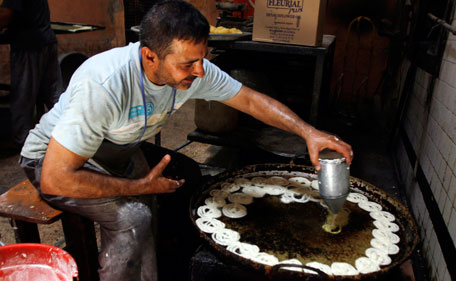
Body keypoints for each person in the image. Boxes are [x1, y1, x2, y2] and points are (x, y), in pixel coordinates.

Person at [19, 1, 353, 281]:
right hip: (52, 158)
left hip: (114, 150)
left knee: (187, 176)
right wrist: (136, 187)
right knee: (134, 218)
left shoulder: (194, 69)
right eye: (188, 64)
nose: (200, 71)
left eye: (203, 57)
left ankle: (170, 269)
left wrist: (307, 131)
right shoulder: (105, 84)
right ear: (150, 57)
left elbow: (250, 100)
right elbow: (56, 177)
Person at [0, 0, 62, 152]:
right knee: (54, 95)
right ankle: (68, 131)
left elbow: (5, 15)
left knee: (23, 95)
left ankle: (22, 142)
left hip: (29, 46)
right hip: (47, 40)